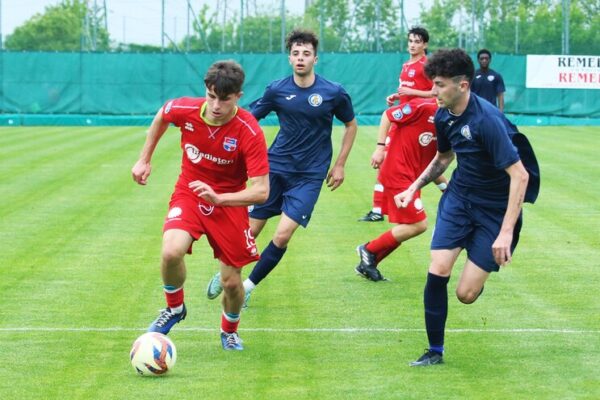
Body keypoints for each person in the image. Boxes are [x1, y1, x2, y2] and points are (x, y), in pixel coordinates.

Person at [395, 48, 539, 366]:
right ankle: (435, 351)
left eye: (440, 85)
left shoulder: (486, 121)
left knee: (465, 295)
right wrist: (413, 188)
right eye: (432, 83)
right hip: (460, 200)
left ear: (462, 85)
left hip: (495, 210)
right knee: (438, 268)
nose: (434, 91)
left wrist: (504, 233)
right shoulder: (444, 115)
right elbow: (443, 158)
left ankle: (479, 272)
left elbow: (520, 175)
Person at [206, 29, 357, 307]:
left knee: (283, 234)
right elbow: (249, 117)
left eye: (306, 54)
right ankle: (226, 276)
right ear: (290, 58)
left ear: (315, 58)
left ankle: (248, 286)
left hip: (310, 176)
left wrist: (340, 164)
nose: (301, 58)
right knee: (248, 234)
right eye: (296, 53)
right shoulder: (277, 89)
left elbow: (350, 124)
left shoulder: (333, 92)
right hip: (275, 169)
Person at [131, 60, 270, 351]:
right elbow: (162, 115)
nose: (216, 105)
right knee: (170, 251)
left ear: (238, 97)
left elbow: (261, 192)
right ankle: (174, 308)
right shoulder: (186, 109)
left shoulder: (249, 130)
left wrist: (220, 199)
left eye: (225, 99)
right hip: (190, 193)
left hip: (229, 203)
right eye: (211, 96)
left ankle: (229, 330)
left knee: (231, 283)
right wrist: (145, 159)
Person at [355, 97, 448, 282]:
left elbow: (435, 164)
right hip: (397, 173)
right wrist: (380, 148)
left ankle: (368, 263)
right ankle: (369, 250)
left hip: (413, 181)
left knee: (407, 226)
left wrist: (447, 188)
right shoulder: (422, 107)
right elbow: (388, 115)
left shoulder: (449, 120)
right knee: (418, 224)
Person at [358, 26, 433, 223]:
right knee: (393, 163)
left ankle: (383, 209)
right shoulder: (407, 65)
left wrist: (411, 91)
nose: (413, 45)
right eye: (410, 41)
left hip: (417, 122)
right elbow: (408, 92)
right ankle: (378, 209)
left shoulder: (427, 65)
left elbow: (435, 93)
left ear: (425, 44)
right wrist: (398, 95)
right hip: (402, 119)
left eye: (417, 41)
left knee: (405, 164)